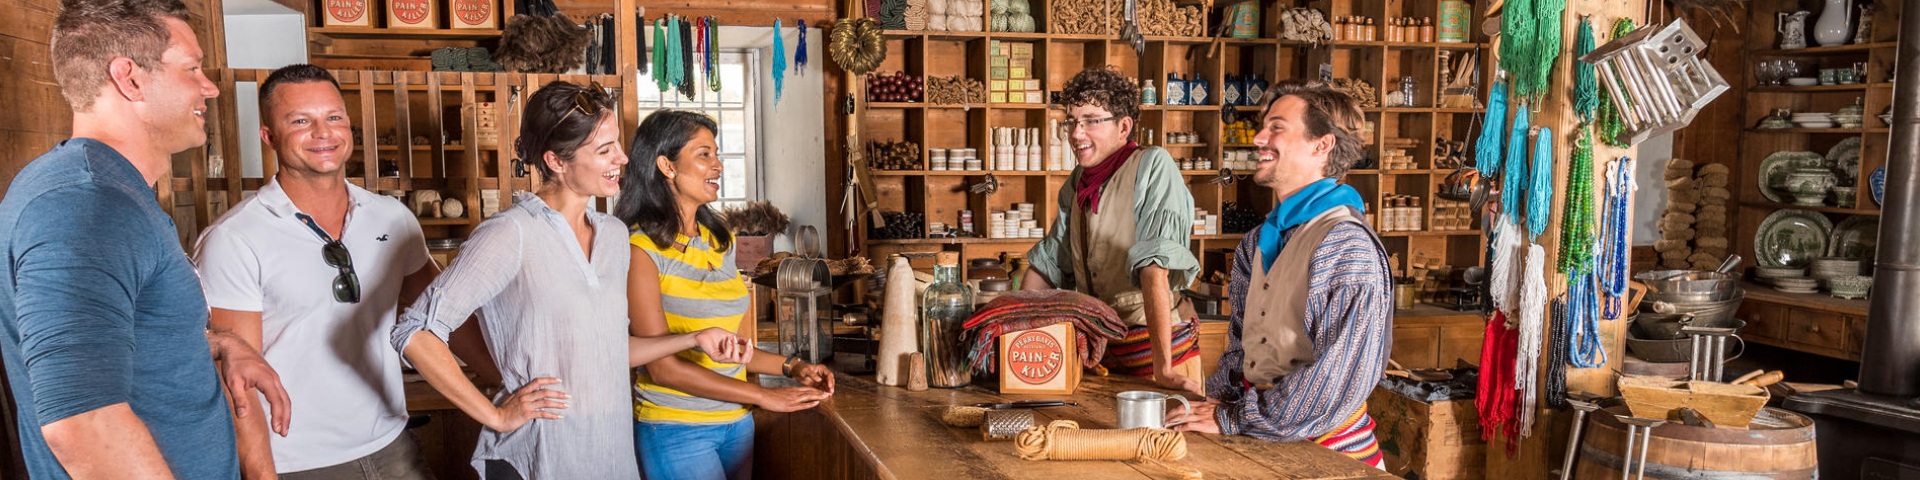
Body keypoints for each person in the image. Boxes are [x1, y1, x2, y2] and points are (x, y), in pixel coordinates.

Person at [390, 82, 751, 480]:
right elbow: (416, 331)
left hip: (607, 452)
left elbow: (606, 351)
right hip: (537, 455)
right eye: (604, 150)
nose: (623, 158)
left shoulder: (613, 235)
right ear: (556, 161)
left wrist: (691, 339)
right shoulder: (511, 233)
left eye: (617, 144)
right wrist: (494, 413)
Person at [0, 0, 291, 478]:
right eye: (192, 68)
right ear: (129, 78)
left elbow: (120, 334)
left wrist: (215, 343)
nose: (210, 87)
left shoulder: (106, 193)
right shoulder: (85, 206)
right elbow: (83, 422)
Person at [194, 64, 447, 479]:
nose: (323, 133)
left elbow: (444, 311)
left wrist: (503, 383)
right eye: (300, 121)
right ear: (269, 137)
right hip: (300, 463)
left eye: (333, 117)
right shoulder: (235, 237)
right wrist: (261, 474)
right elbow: (236, 385)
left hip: (393, 444)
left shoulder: (391, 217)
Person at [1168, 80, 1393, 469]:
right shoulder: (1257, 241)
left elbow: (1333, 378)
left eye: (1277, 127)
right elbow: (1241, 341)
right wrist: (1220, 403)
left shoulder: (1345, 246)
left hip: (1328, 454)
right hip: (1263, 440)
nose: (1258, 138)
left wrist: (1235, 417)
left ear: (1321, 145)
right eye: (1263, 126)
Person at [618, 110, 835, 480]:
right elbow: (661, 367)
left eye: (716, 154)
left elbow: (733, 347)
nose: (717, 165)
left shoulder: (720, 241)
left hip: (736, 424)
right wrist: (764, 397)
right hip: (676, 428)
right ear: (666, 166)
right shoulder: (641, 250)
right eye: (704, 154)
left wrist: (792, 367)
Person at [1024, 66, 1204, 394]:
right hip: (1105, 354)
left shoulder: (1152, 165)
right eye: (1071, 121)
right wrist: (1015, 332)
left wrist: (1164, 370)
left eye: (1092, 120)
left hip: (1157, 357)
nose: (1077, 134)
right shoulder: (1077, 183)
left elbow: (1155, 268)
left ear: (1124, 126)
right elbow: (1048, 267)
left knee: (1166, 446)